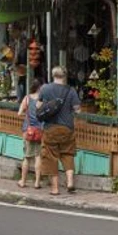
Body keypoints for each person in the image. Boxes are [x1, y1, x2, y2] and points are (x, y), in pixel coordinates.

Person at [37, 66, 81, 196]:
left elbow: (38, 107)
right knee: (68, 154)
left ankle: (55, 189)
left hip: (50, 128)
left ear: (53, 75)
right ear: (65, 76)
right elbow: (77, 109)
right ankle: (70, 182)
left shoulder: (45, 88)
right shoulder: (71, 91)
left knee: (51, 156)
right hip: (67, 128)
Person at [17, 79, 43, 189]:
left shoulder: (26, 98)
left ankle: (23, 181)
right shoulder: (42, 100)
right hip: (39, 130)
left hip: (28, 130)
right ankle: (37, 182)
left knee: (27, 157)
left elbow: (19, 113)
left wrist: (26, 113)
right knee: (38, 156)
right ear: (39, 88)